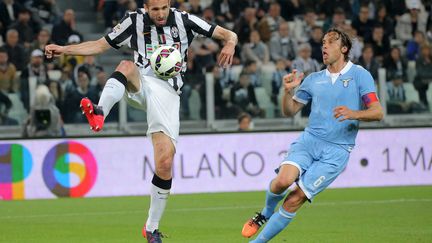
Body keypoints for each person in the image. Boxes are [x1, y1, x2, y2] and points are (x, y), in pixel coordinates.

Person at [45, 0, 237, 242]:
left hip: (168, 94)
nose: (159, 14)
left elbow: (228, 33)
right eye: (154, 9)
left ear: (169, 5)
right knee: (126, 65)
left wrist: (230, 43)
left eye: (163, 8)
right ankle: (100, 111)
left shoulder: (184, 20)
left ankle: (151, 228)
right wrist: (64, 49)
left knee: (165, 163)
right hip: (142, 82)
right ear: (146, 7)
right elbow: (99, 45)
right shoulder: (133, 20)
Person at [241, 28, 383, 243]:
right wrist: (287, 91)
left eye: (331, 42)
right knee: (282, 181)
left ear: (344, 48)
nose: (324, 46)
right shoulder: (314, 79)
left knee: (293, 199)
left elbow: (377, 112)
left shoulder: (360, 75)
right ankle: (265, 212)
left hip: (337, 150)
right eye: (323, 42)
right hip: (310, 141)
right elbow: (289, 111)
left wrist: (354, 113)